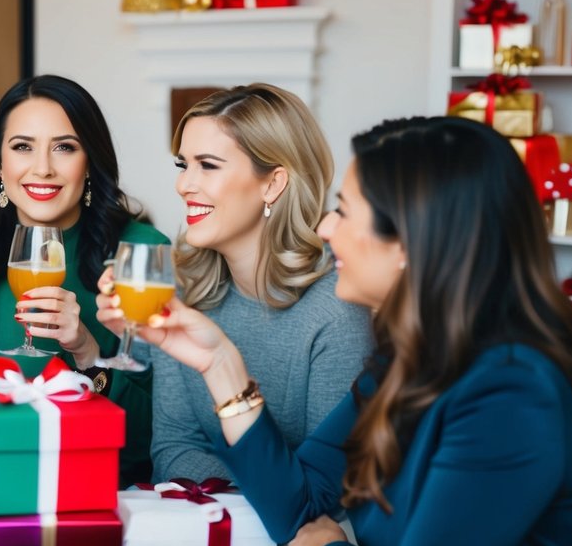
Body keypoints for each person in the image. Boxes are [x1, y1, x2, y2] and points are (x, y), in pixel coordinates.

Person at [127, 116, 572, 546]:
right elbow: (299, 501)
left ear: (410, 240)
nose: (326, 228)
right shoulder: (405, 362)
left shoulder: (512, 395)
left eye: (345, 211)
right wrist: (219, 363)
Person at [100, 85, 372, 483]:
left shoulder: (336, 308)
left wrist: (236, 487)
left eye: (208, 165)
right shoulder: (180, 288)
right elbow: (173, 448)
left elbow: (326, 488)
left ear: (273, 183)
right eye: (183, 165)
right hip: (211, 523)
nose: (183, 185)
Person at [0, 74, 168, 486]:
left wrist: (87, 352)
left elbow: (151, 435)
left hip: (113, 495)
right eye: (22, 147)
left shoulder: (142, 252)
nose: (42, 168)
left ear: (90, 163)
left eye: (64, 147)